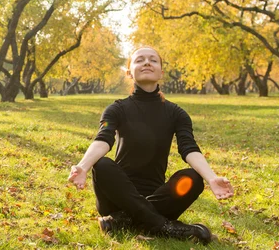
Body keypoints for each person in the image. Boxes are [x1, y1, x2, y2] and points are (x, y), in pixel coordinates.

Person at [67, 47, 234, 244]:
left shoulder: (176, 113)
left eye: (153, 60)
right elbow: (103, 139)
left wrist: (211, 178)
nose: (147, 63)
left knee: (193, 179)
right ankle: (165, 227)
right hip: (116, 197)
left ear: (161, 73)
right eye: (140, 60)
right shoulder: (116, 109)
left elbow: (189, 148)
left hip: (158, 197)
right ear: (129, 72)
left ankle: (123, 221)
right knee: (102, 165)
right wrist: (83, 166)